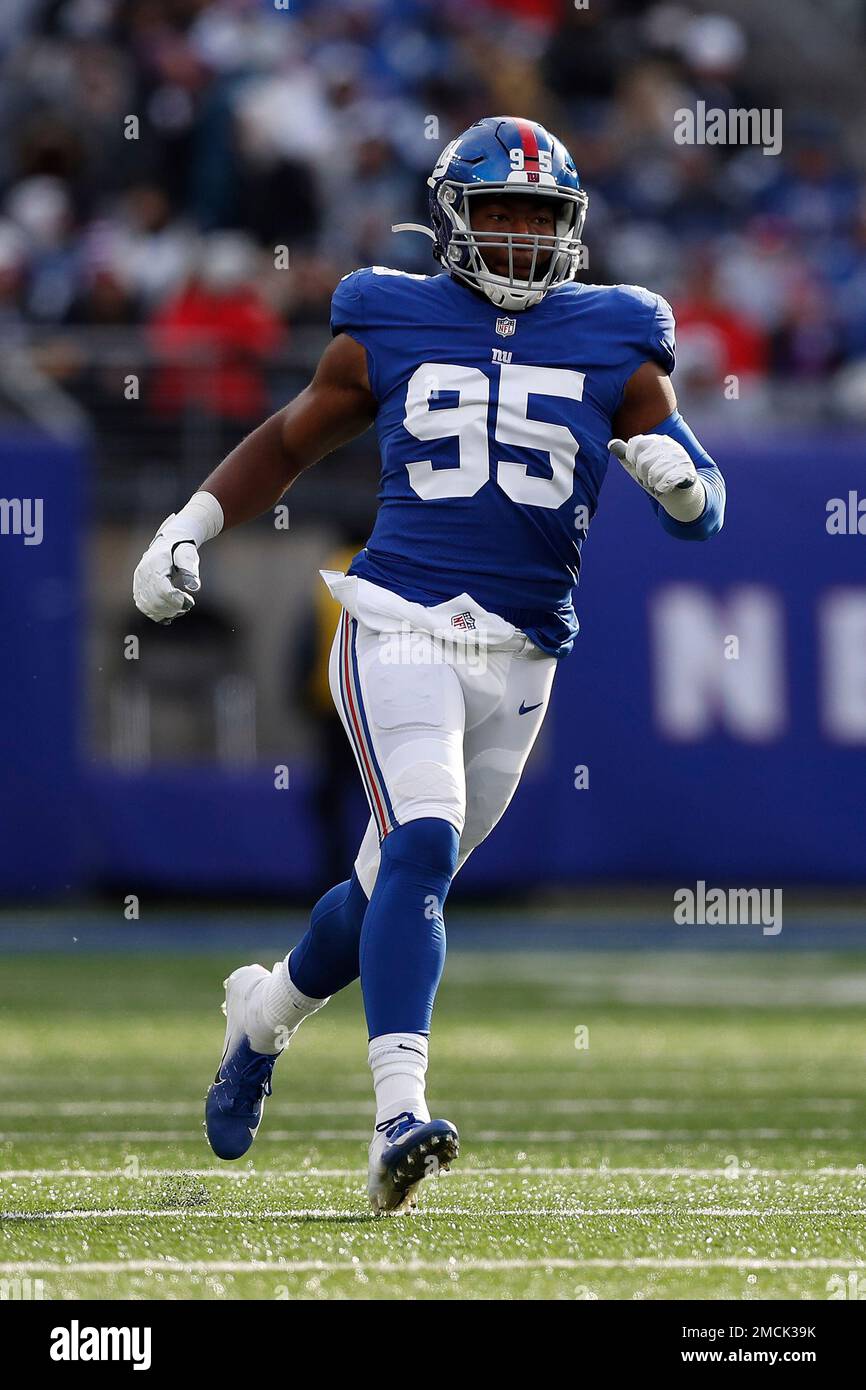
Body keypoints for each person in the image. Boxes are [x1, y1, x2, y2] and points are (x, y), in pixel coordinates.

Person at [133, 116, 726, 1215]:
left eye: (536, 217)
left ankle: (259, 1016)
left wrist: (683, 487)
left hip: (524, 651)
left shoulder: (617, 333)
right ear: (451, 215)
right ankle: (398, 1115)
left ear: (570, 230)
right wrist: (191, 521)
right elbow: (292, 434)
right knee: (422, 838)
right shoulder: (387, 313)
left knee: (390, 889)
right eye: (495, 210)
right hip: (397, 616)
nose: (514, 235)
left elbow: (701, 502)